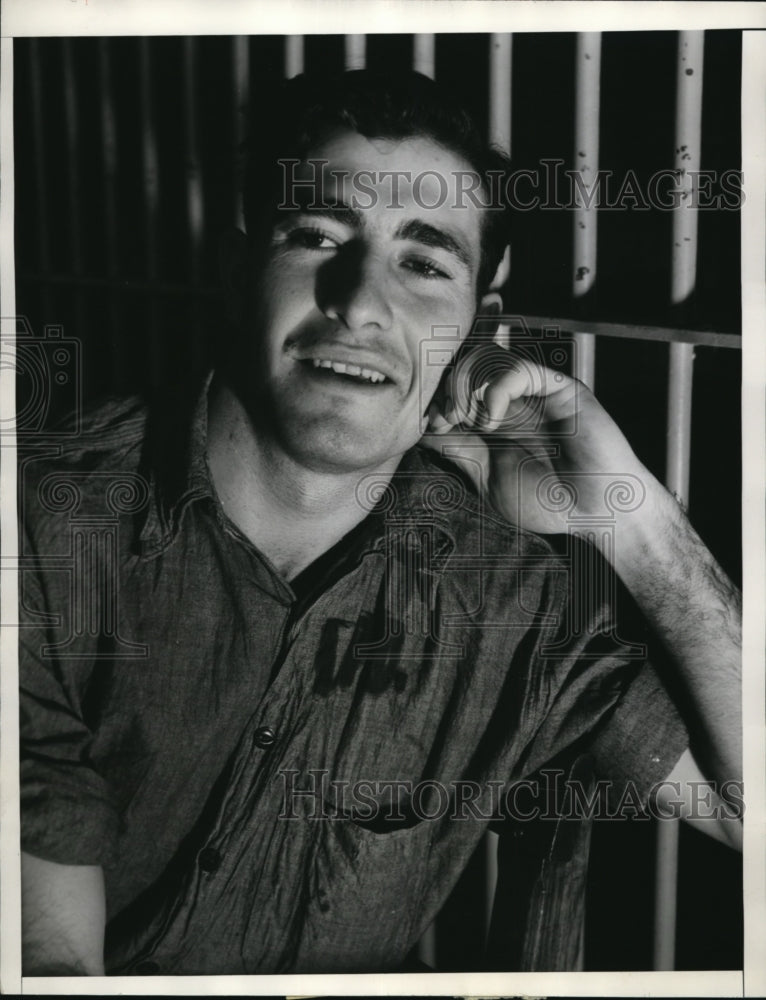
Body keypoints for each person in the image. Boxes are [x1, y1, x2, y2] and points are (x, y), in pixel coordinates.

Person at [19, 69, 741, 976]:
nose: (360, 303)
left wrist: (634, 518)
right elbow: (43, 951)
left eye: (425, 264)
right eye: (316, 235)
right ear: (238, 274)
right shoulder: (39, 530)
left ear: (476, 330)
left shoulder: (511, 601)